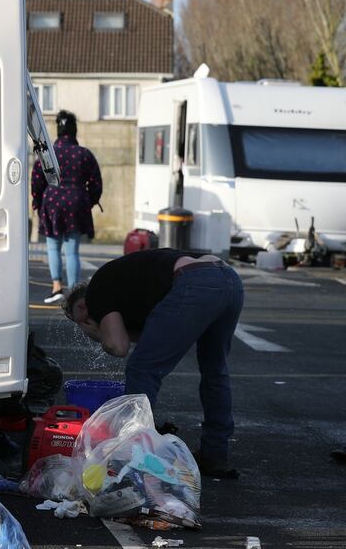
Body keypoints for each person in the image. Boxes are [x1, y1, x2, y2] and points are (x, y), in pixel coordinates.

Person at [63, 248, 244, 479]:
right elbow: (151, 338)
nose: (87, 324)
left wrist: (97, 332)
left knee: (142, 370)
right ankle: (215, 454)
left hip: (195, 282)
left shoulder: (96, 294)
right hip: (229, 280)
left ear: (82, 307)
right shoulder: (126, 290)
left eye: (84, 322)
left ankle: (135, 457)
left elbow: (118, 347)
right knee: (214, 370)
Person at [31, 110, 102, 303]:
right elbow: (96, 184)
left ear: (58, 130)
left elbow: (37, 180)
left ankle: (56, 288)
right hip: (77, 203)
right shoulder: (85, 154)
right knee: (72, 251)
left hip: (52, 202)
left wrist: (37, 202)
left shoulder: (48, 154)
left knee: (53, 248)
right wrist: (89, 201)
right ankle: (73, 292)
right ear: (75, 130)